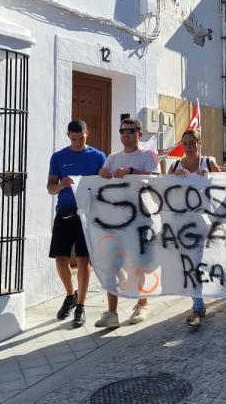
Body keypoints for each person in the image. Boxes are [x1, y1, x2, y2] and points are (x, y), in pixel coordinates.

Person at [93, 118, 159, 328]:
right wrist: (101, 173)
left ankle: (142, 304)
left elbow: (155, 180)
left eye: (131, 131)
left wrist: (132, 172)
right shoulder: (112, 158)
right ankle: (112, 312)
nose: (126, 134)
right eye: (122, 131)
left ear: (139, 134)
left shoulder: (148, 156)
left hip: (140, 220)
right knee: (111, 265)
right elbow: (101, 179)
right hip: (115, 222)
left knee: (138, 265)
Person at [46, 120, 107, 328]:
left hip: (88, 215)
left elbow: (105, 185)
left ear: (87, 133)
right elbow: (49, 188)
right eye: (74, 139)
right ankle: (70, 295)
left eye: (81, 138)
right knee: (61, 259)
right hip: (64, 213)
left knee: (83, 261)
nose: (78, 142)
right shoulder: (59, 157)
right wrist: (60, 184)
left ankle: (80, 306)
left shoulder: (98, 157)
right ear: (68, 136)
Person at [168, 129, 226, 328]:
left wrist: (209, 176)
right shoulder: (175, 164)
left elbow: (223, 187)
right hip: (184, 223)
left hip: (206, 222)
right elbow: (163, 190)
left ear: (198, 143)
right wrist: (174, 178)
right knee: (191, 264)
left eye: (192, 142)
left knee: (202, 263)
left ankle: (201, 302)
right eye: (185, 143)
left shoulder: (207, 162)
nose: (188, 146)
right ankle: (198, 304)